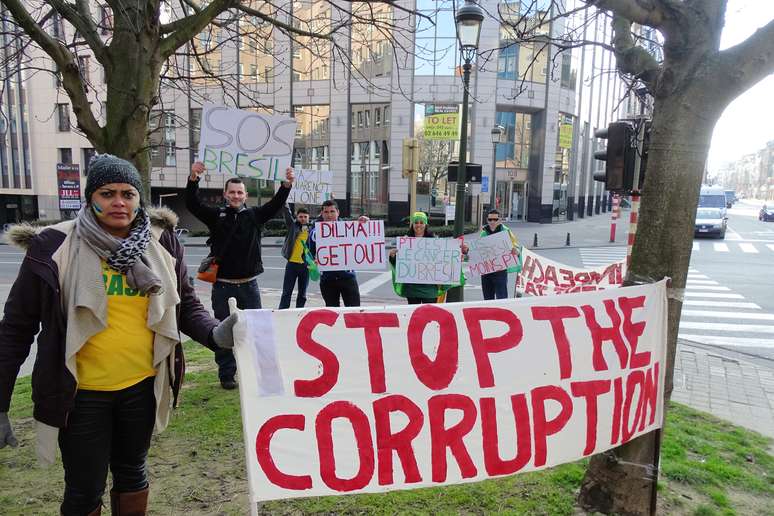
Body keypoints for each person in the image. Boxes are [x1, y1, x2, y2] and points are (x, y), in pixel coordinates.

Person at [0, 154, 236, 516]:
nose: (119, 202)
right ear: (89, 198)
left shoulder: (161, 242)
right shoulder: (53, 246)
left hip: (141, 388)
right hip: (80, 396)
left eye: (128, 194)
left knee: (132, 474)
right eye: (107, 193)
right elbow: (15, 330)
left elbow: (185, 306)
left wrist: (216, 335)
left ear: (139, 199)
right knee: (84, 489)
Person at [186, 162, 293, 389]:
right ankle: (227, 375)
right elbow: (192, 204)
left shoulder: (255, 215)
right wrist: (194, 179)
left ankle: (258, 373)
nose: (236, 196)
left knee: (256, 332)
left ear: (245, 195)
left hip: (249, 286)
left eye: (240, 192)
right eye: (232, 192)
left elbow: (276, 204)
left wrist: (285, 186)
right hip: (223, 287)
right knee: (224, 333)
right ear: (225, 194)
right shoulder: (217, 216)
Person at [389, 212, 466, 304]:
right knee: (414, 315)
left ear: (426, 225)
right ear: (412, 224)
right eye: (416, 222)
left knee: (429, 315)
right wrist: (392, 256)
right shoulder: (405, 241)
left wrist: (457, 256)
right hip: (412, 289)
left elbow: (444, 258)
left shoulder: (434, 241)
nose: (419, 225)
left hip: (430, 289)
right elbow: (399, 263)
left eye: (421, 222)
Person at [307, 199, 368, 307]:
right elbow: (308, 254)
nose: (329, 215)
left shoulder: (348, 228)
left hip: (348, 278)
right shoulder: (315, 232)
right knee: (333, 314)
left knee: (353, 313)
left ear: (338, 212)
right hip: (327, 279)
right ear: (322, 214)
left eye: (332, 211)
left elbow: (364, 241)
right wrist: (312, 262)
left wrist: (364, 224)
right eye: (326, 212)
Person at [480, 209, 519, 300]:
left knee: (502, 299)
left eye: (495, 219)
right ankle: (489, 314)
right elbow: (478, 251)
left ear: (500, 220)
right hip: (486, 272)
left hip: (500, 271)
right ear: (487, 220)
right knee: (487, 300)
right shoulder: (483, 232)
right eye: (490, 220)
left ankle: (502, 314)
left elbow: (516, 248)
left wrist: (515, 251)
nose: (492, 222)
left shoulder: (506, 232)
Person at [279, 205, 310, 309]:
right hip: (292, 265)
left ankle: (299, 312)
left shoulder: (312, 228)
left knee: (302, 294)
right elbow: (287, 214)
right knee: (287, 292)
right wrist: (284, 199)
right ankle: (282, 312)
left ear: (308, 217)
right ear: (297, 217)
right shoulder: (293, 226)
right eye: (301, 216)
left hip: (305, 266)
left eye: (305, 217)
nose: (303, 219)